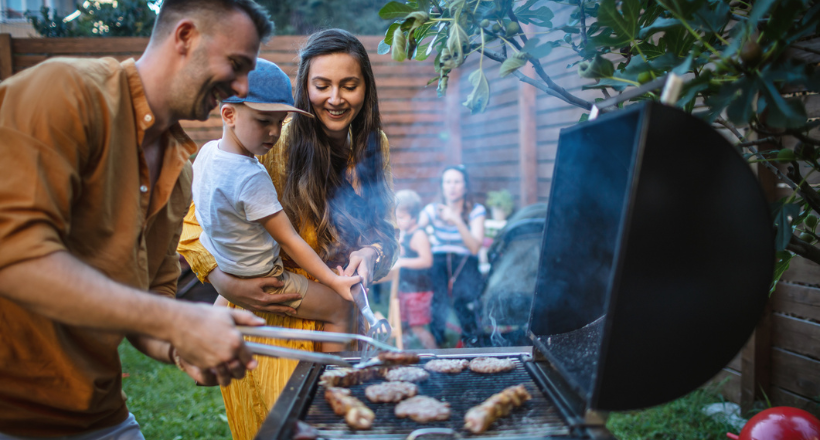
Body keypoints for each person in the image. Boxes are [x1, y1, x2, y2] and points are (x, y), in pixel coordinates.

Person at [0, 0, 273, 438]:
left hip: (100, 412)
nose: (242, 85)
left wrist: (181, 348)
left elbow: (150, 297)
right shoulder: (65, 91)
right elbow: (14, 257)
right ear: (185, 36)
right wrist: (178, 322)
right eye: (237, 64)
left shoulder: (180, 167)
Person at [178, 29, 398, 440]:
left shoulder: (374, 145)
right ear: (303, 88)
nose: (335, 98)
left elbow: (388, 232)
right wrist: (228, 283)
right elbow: (195, 227)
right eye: (322, 85)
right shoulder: (269, 138)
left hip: (343, 321)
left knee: (341, 427)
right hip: (271, 326)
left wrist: (373, 253)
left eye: (349, 85)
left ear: (365, 89)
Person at [194, 58, 360, 350]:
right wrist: (335, 284)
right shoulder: (250, 176)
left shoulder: (207, 154)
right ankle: (331, 384)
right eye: (263, 121)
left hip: (226, 263)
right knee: (340, 309)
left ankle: (202, 348)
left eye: (280, 121)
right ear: (229, 114)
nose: (274, 132)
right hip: (263, 276)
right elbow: (290, 241)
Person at [419, 165, 487, 348]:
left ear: (465, 187)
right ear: (442, 186)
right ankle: (439, 343)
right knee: (438, 301)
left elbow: (474, 248)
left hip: (465, 260)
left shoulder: (476, 211)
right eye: (447, 182)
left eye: (457, 182)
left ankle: (472, 343)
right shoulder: (433, 209)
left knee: (464, 300)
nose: (452, 186)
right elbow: (414, 228)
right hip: (439, 259)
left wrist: (457, 220)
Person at [393, 190, 437, 349]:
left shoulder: (419, 235)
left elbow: (427, 260)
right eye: (396, 216)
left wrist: (402, 262)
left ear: (414, 217)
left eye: (402, 218)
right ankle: (404, 356)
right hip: (406, 288)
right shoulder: (406, 233)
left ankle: (437, 357)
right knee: (403, 325)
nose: (398, 221)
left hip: (418, 291)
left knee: (417, 327)